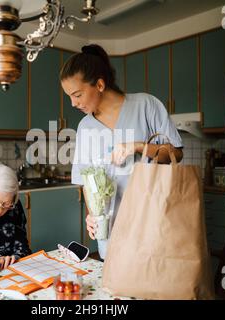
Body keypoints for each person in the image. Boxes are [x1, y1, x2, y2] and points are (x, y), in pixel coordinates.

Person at [60, 44, 183, 260]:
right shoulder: (85, 127)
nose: (73, 103)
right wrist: (92, 215)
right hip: (111, 231)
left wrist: (137, 146)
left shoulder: (146, 105)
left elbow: (176, 153)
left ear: (99, 84)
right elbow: (87, 181)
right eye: (69, 96)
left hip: (152, 223)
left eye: (77, 94)